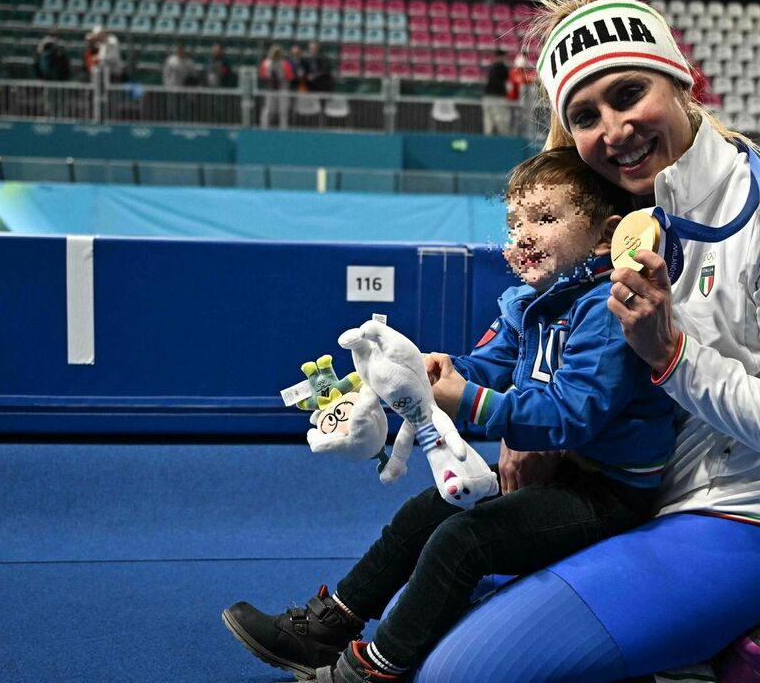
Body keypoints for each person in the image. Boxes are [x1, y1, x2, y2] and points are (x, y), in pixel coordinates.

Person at [409, 0, 760, 680]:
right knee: (434, 606)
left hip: (729, 523)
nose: (614, 129)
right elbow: (544, 359)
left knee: (459, 675)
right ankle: (702, 648)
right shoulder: (605, 216)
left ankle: (716, 639)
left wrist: (673, 357)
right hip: (615, 503)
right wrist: (524, 430)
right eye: (586, 115)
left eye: (628, 94)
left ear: (682, 80)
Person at [222, 146, 679, 682]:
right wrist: (427, 371)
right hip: (560, 474)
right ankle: (329, 626)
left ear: (605, 235)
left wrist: (469, 399)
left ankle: (374, 671)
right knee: (425, 512)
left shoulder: (608, 313)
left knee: (463, 542)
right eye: (515, 223)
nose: (523, 236)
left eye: (545, 219)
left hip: (608, 493)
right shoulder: (527, 302)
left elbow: (571, 417)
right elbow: (483, 367)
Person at [258, 45, 294, 129]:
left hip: (282, 89)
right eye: (274, 52)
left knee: (283, 110)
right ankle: (264, 128)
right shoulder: (266, 63)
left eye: (277, 53)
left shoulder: (285, 63)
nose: (276, 54)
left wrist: (282, 73)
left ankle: (283, 128)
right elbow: (262, 75)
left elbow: (290, 76)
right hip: (270, 89)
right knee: (268, 110)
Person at [161, 44, 194, 122]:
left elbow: (193, 75)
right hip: (172, 89)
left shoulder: (188, 62)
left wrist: (189, 84)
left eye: (181, 50)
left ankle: (182, 126)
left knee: (183, 109)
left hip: (184, 90)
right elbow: (166, 74)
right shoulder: (170, 60)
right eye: (178, 50)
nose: (180, 52)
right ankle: (171, 125)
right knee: (172, 109)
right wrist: (167, 86)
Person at [482, 49, 510, 135]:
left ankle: (487, 140)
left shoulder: (492, 67)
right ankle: (503, 140)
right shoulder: (502, 67)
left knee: (488, 121)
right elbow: (507, 82)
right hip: (497, 98)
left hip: (487, 97)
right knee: (501, 120)